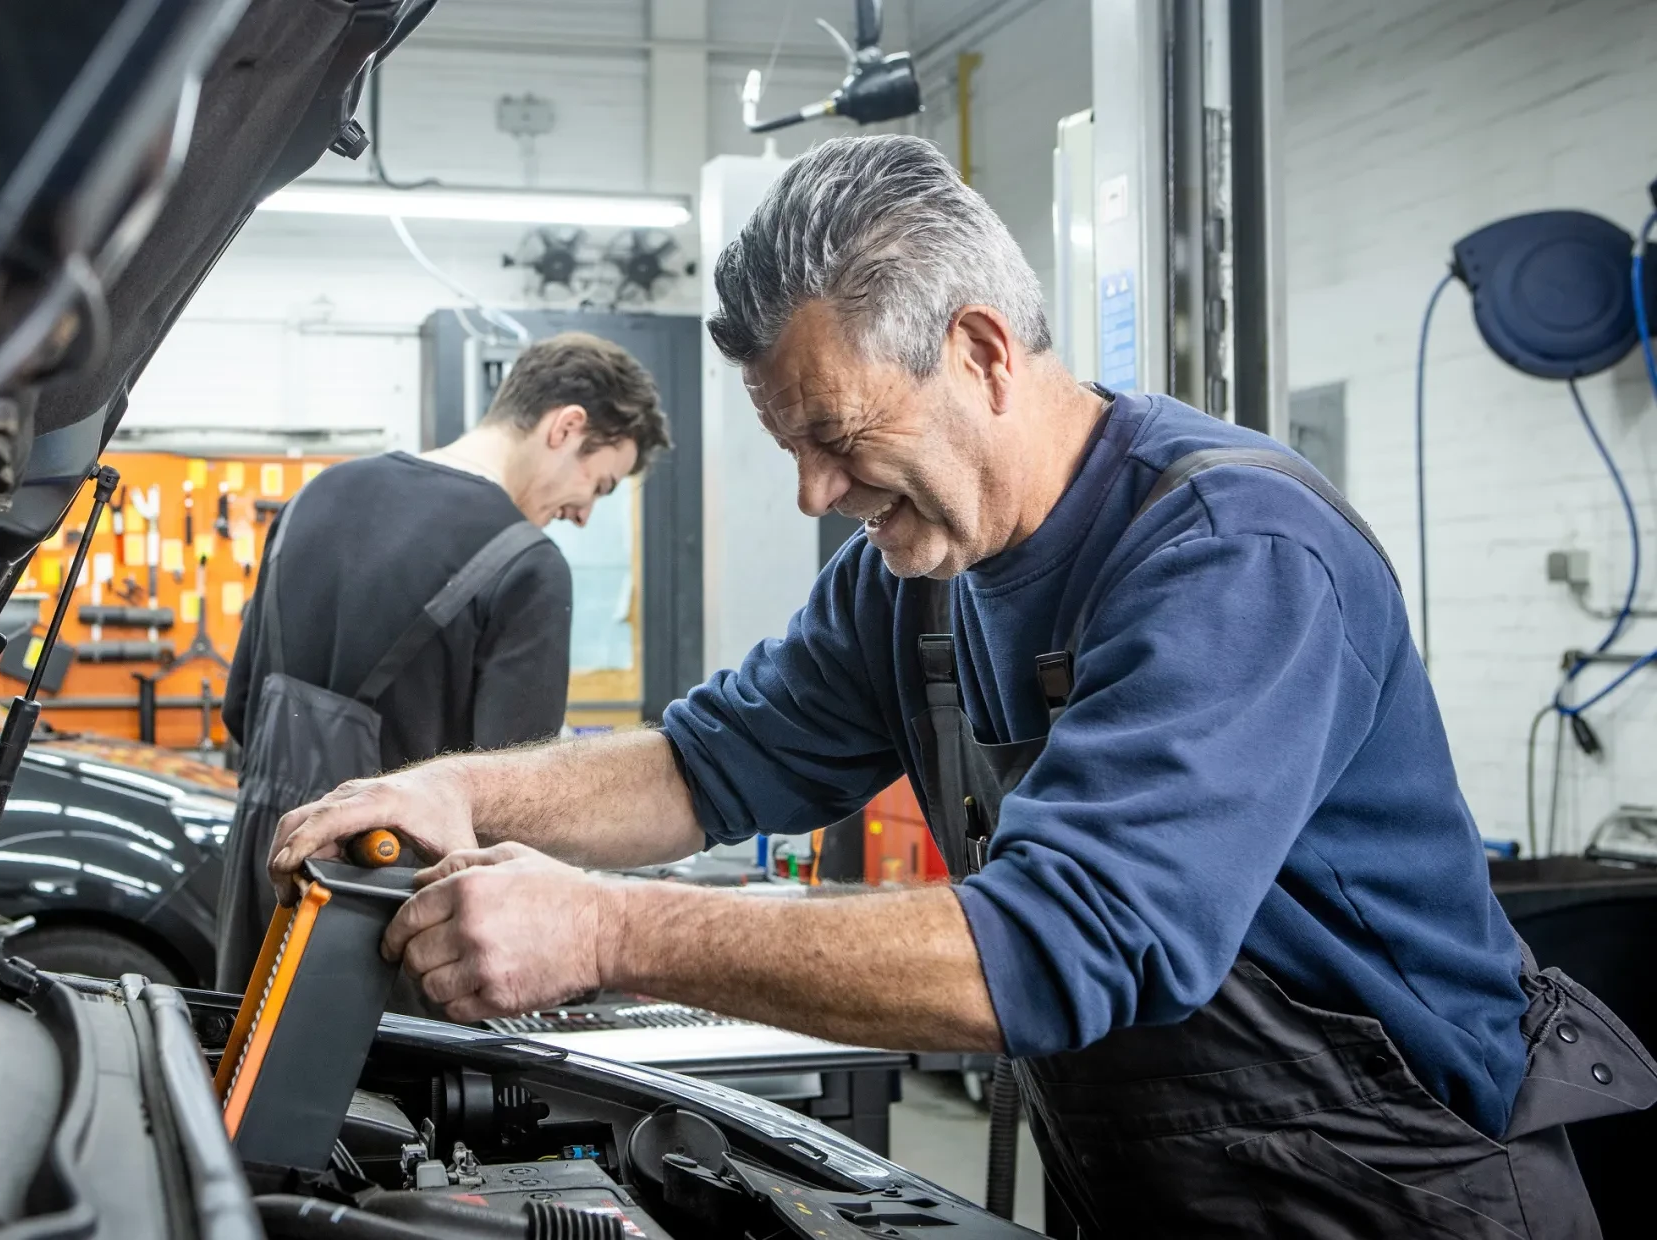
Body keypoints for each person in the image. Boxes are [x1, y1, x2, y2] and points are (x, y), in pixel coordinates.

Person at [269, 136, 1652, 1235]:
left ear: (984, 351)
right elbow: (707, 763)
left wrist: (601, 933)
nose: (818, 492)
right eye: (789, 449)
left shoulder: (1236, 555)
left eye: (839, 435)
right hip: (1149, 1181)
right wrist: (453, 787)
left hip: (1394, 1193)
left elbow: (1070, 941)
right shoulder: (911, 576)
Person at [214, 331, 671, 991]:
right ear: (566, 427)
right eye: (597, 484)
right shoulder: (527, 566)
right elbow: (519, 805)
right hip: (391, 928)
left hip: (260, 886)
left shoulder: (316, 498)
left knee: (243, 1082)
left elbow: (239, 710)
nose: (582, 513)